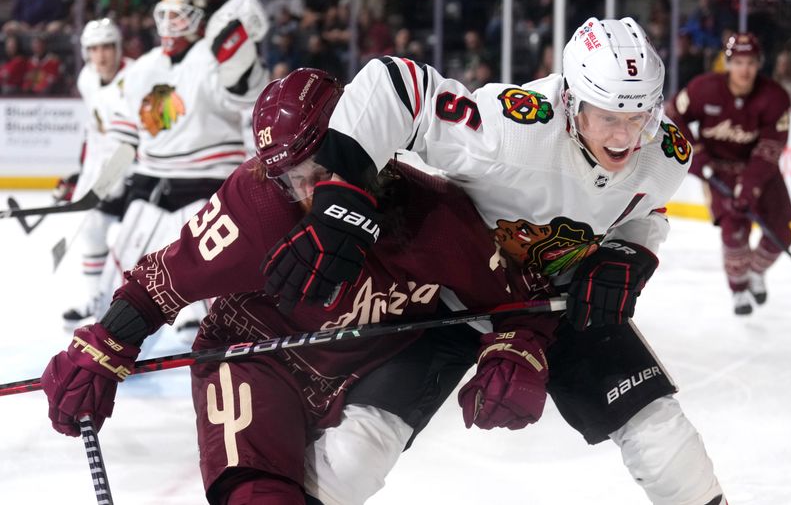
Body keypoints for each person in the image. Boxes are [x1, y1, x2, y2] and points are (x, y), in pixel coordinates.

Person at [268, 17, 729, 505]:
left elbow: (645, 205)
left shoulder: (664, 153)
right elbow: (395, 84)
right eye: (608, 117)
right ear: (570, 102)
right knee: (359, 447)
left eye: (638, 117)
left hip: (552, 305)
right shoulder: (513, 129)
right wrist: (341, 201)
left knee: (658, 429)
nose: (624, 138)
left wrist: (629, 252)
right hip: (449, 297)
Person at [40, 68, 554, 504]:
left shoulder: (435, 215)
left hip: (375, 359)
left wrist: (518, 348)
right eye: (290, 176)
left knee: (352, 468)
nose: (306, 191)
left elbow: (513, 301)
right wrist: (106, 343)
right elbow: (160, 284)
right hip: (255, 353)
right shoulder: (256, 203)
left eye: (321, 167)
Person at [90, 0, 267, 335]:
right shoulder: (142, 68)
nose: (169, 23)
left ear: (197, 20)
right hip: (156, 176)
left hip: (211, 177)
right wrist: (104, 181)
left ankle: (218, 321)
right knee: (127, 244)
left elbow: (248, 97)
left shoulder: (215, 58)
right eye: (165, 14)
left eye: (178, 15)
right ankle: (111, 319)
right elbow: (125, 134)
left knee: (209, 254)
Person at [667, 32, 791, 315]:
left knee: (781, 235)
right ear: (726, 63)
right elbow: (673, 115)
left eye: (750, 62)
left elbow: (770, 149)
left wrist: (750, 186)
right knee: (733, 233)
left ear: (759, 63)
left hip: (763, 173)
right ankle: (738, 290)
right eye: (738, 62)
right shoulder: (704, 89)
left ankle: (756, 273)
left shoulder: (775, 98)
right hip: (719, 171)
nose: (744, 70)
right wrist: (695, 154)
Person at [60, 18, 139, 328]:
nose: (102, 55)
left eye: (107, 46)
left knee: (133, 243)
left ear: (118, 47)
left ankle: (183, 312)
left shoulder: (136, 77)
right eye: (94, 49)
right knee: (92, 229)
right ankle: (95, 300)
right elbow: (95, 132)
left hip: (141, 172)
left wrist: (119, 176)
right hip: (105, 172)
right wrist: (83, 174)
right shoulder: (87, 79)